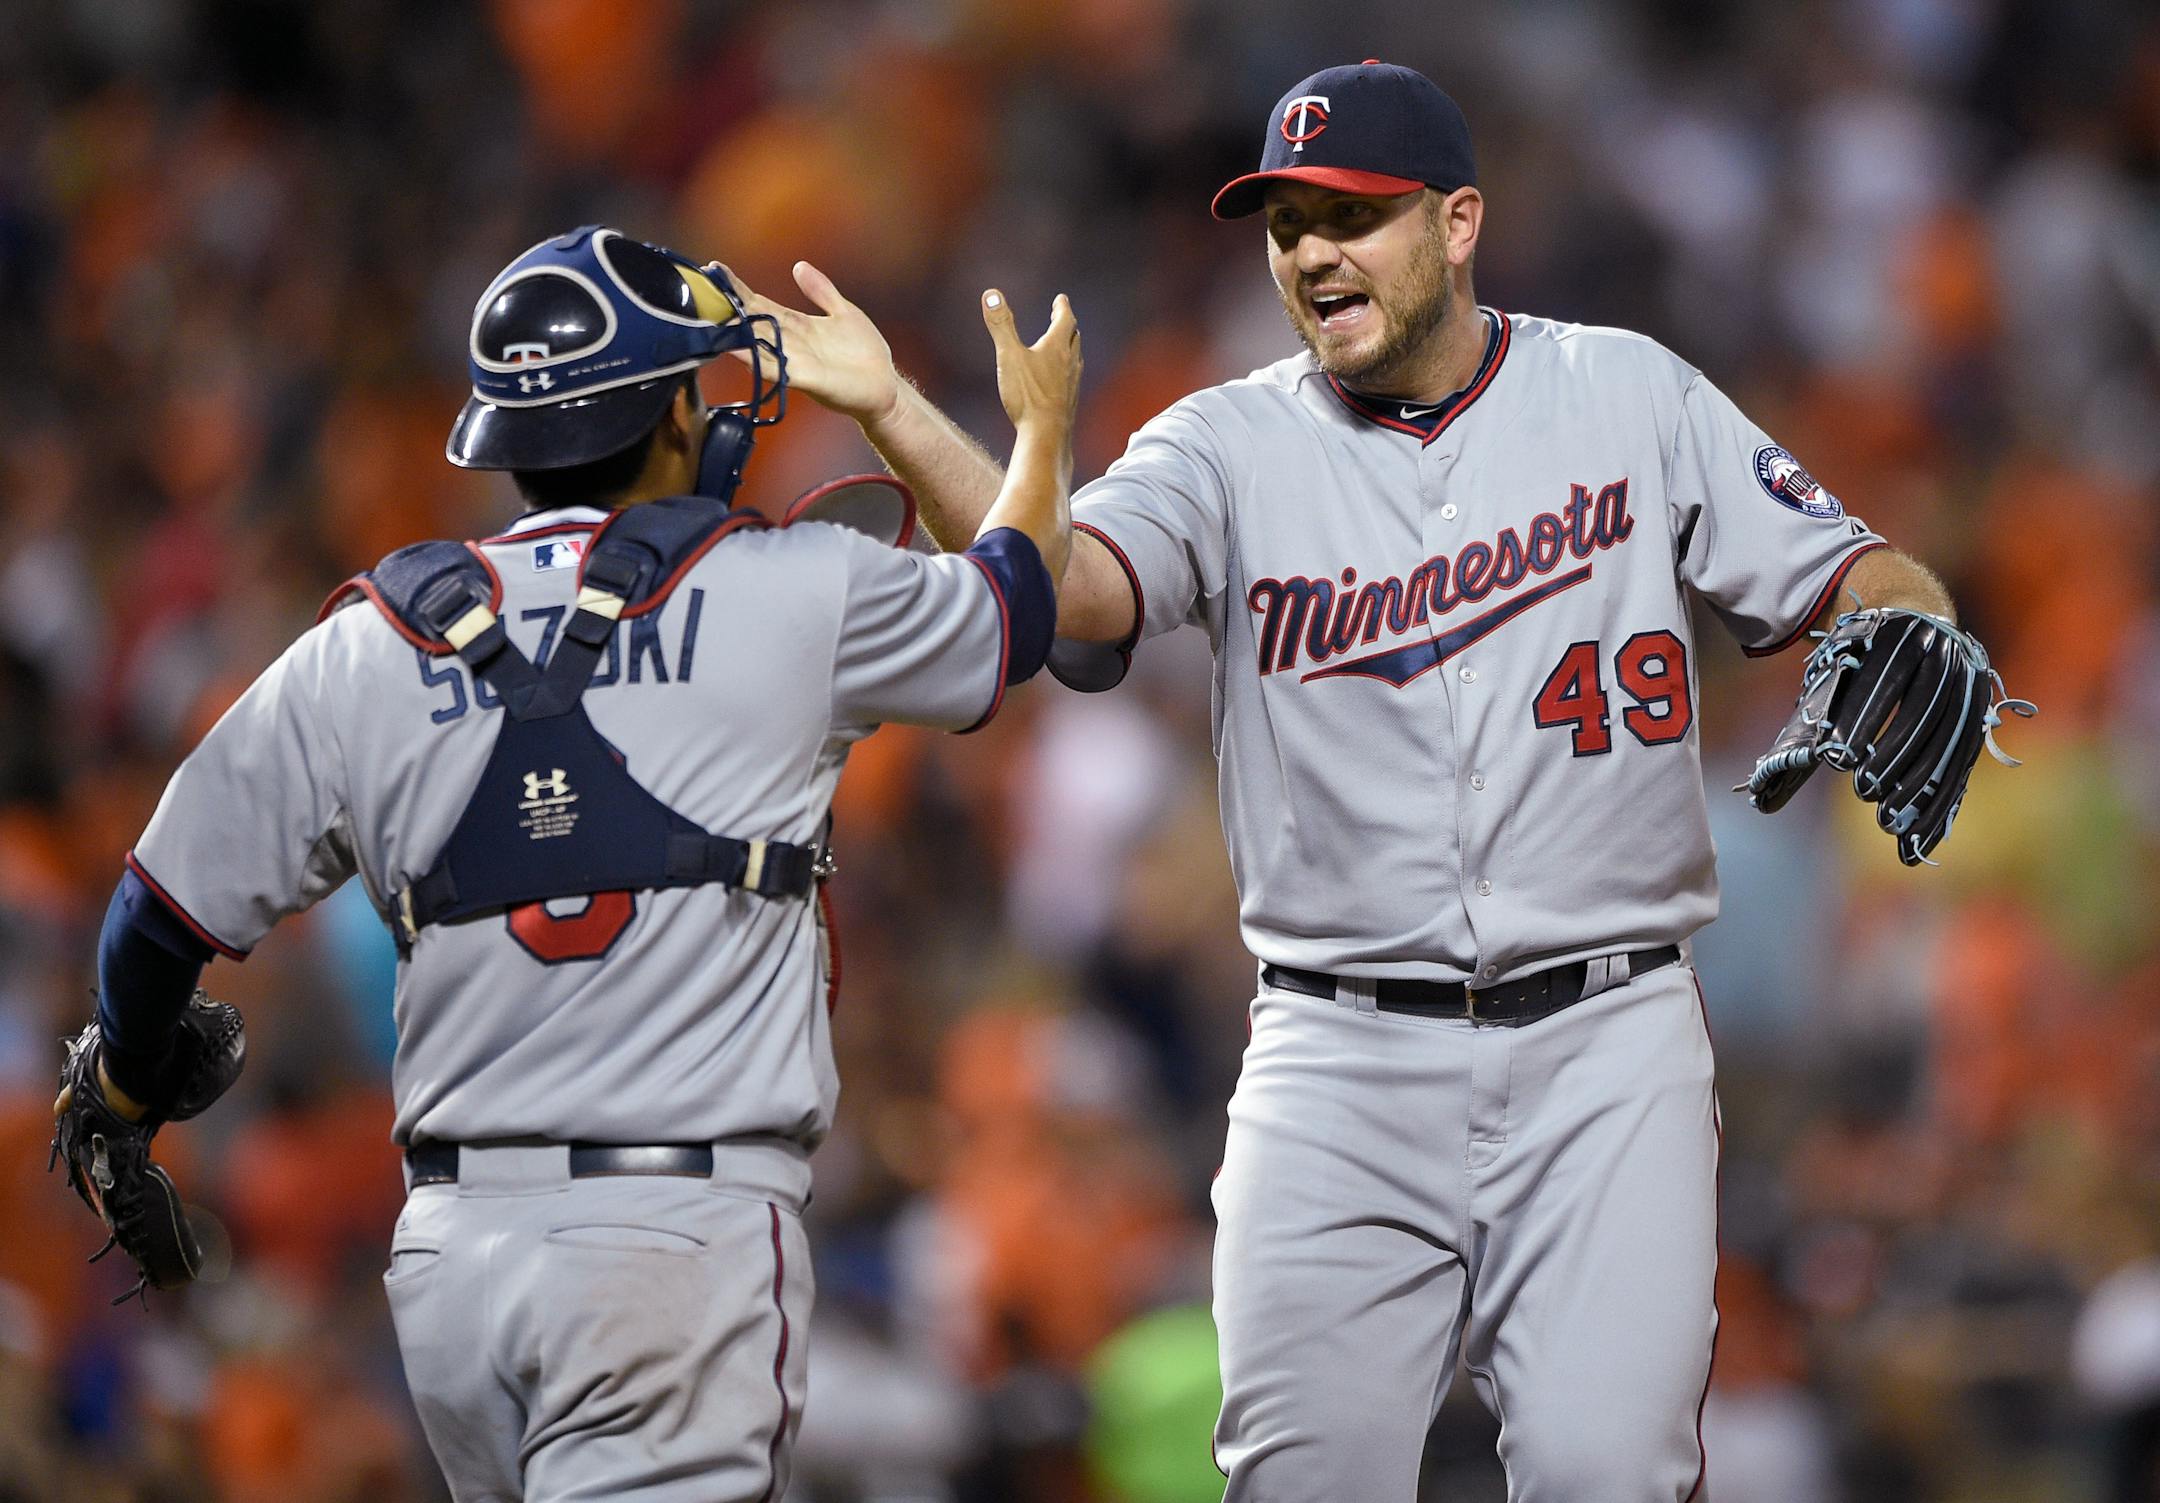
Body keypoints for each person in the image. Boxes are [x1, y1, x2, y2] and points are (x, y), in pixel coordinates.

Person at [729, 62, 2024, 1501]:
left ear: (1458, 223)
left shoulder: (1629, 391)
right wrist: (900, 410)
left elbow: (1861, 567)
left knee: (1611, 1473)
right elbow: (1069, 590)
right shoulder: (1224, 443)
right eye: (1287, 223)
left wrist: (1911, 611)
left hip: (1609, 1042)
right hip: (1338, 1054)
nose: (1312, 253)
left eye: (1353, 215)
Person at [52, 225, 1081, 1501]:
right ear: (667, 419)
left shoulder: (363, 644)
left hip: (452, 1272)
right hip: (671, 1247)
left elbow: (154, 921)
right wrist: (1007, 424)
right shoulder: (788, 589)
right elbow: (1023, 603)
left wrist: (133, 1083)